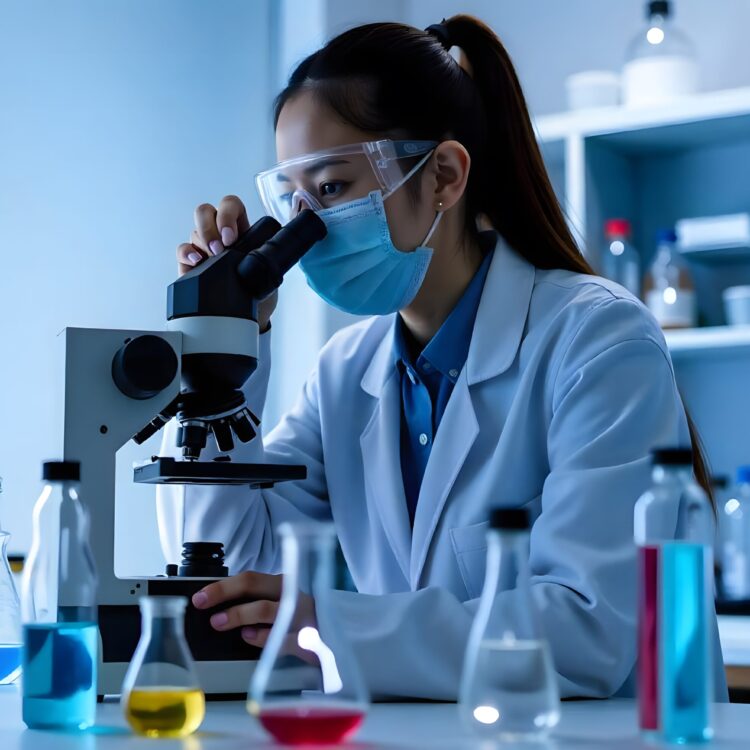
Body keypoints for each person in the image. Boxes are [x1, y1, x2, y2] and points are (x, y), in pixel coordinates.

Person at [158, 15, 726, 701]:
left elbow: (587, 630)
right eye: (292, 200)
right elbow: (228, 570)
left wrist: (333, 627)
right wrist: (223, 349)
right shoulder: (345, 376)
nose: (306, 232)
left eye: (333, 190)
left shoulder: (597, 340)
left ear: (446, 176)